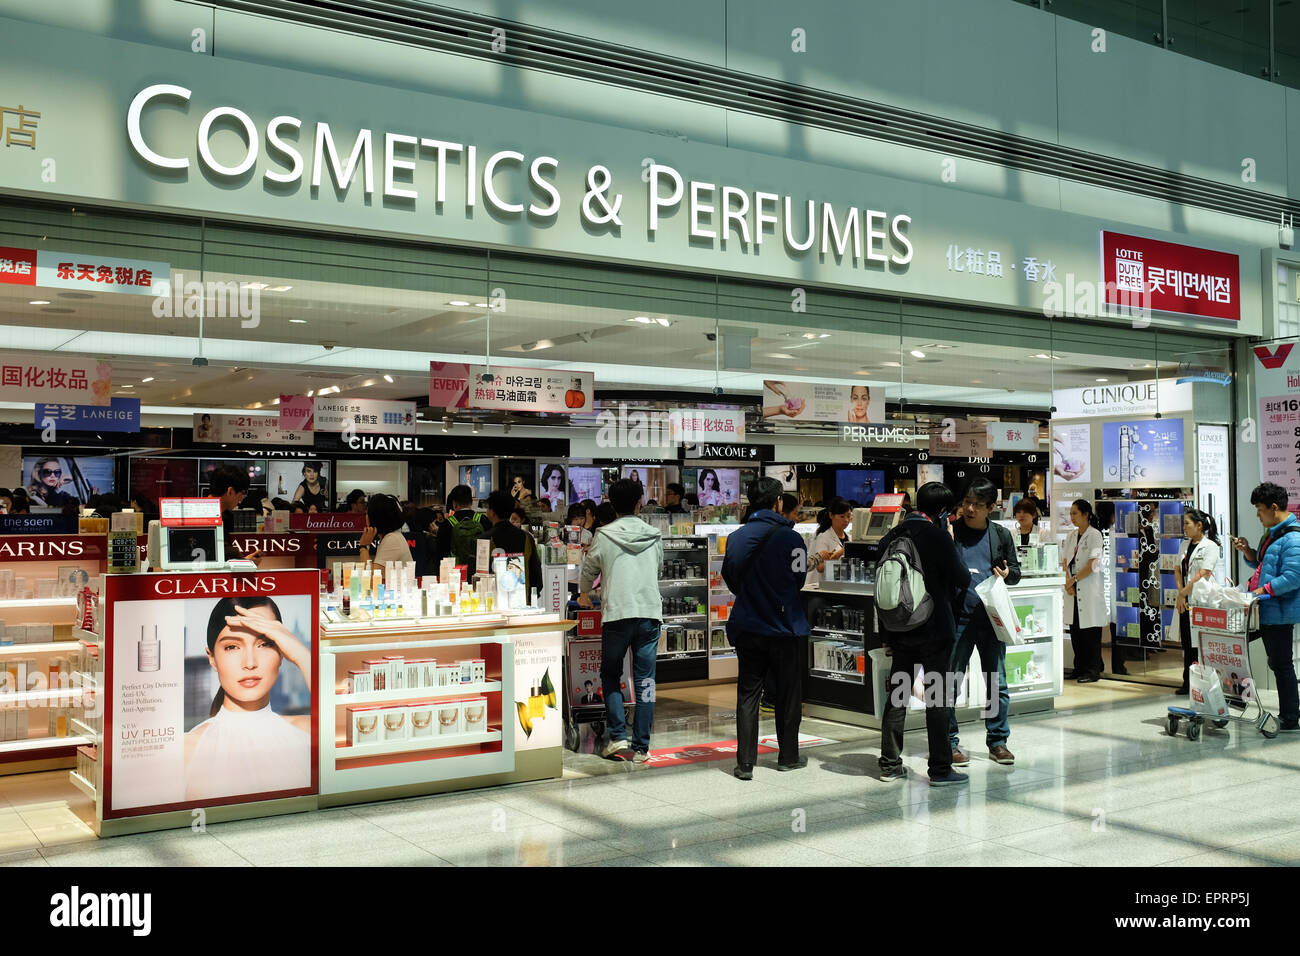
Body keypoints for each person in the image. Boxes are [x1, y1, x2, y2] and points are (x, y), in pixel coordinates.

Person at [877, 481, 971, 786]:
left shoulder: (892, 534)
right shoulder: (938, 536)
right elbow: (963, 578)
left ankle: (890, 764)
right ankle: (940, 769)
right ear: (943, 511)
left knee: (898, 695)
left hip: (900, 629)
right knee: (938, 698)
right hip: (934, 630)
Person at [722, 477, 809, 779]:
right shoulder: (792, 539)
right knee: (787, 693)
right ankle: (788, 756)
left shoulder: (736, 537)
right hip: (785, 627)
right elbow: (798, 580)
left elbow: (731, 577)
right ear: (778, 503)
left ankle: (745, 763)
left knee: (748, 694)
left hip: (748, 625)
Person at [185, 596, 311, 801]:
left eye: (265, 643)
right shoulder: (187, 749)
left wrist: (302, 654)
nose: (250, 663)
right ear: (212, 658)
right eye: (232, 647)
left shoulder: (308, 731)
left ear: (282, 652)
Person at [578, 479, 664, 762]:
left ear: (612, 505)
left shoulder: (604, 535)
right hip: (649, 613)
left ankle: (617, 737)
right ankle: (642, 746)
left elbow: (589, 568)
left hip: (617, 614)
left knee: (611, 674)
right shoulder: (654, 534)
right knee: (645, 680)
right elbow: (659, 569)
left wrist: (584, 593)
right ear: (640, 502)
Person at [947, 478, 1021, 767]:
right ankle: (949, 741)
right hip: (959, 619)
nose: (969, 508)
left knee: (997, 682)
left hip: (991, 620)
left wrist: (1006, 573)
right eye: (966, 502)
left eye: (977, 504)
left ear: (991, 507)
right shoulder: (953, 533)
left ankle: (998, 741)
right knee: (950, 682)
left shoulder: (1000, 535)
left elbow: (1015, 572)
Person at [1233, 482, 1300, 732]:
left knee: (1281, 664)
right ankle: (1290, 712)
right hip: (1266, 610)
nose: (1258, 515)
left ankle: (1290, 717)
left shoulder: (1292, 538)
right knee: (1278, 663)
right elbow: (1263, 567)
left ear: (1274, 507)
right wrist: (1249, 552)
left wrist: (1263, 591)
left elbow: (1293, 576)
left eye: (1260, 510)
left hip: (1278, 613)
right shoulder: (1273, 534)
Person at [1174, 508, 1221, 695]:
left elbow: (1204, 573)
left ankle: (1203, 685)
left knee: (1201, 645)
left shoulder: (1211, 546)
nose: (1184, 527)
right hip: (1185, 601)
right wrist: (1181, 593)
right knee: (1187, 643)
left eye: (1187, 523)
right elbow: (1178, 569)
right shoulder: (1184, 545)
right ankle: (1188, 683)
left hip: (1201, 601)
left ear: (1199, 525)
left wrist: (1183, 593)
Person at [1062, 498, 1106, 683]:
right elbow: (1064, 560)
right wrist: (1068, 581)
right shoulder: (1071, 536)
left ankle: (1093, 670)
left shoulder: (1094, 535)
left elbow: (1092, 563)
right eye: (1071, 513)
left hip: (1088, 589)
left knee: (1090, 634)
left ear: (1086, 514)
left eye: (1075, 513)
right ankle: (1079, 668)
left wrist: (1074, 580)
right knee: (1076, 633)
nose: (1072, 517)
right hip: (1073, 590)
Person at [483, 490, 542, 593]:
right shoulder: (527, 537)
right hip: (524, 600)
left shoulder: (486, 538)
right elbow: (536, 573)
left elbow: (481, 575)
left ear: (491, 512)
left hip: (494, 602)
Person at [434, 485, 483, 567]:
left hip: (455, 573)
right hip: (479, 570)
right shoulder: (483, 520)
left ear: (454, 504)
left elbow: (440, 555)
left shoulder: (446, 525)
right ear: (471, 502)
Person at [805, 496, 851, 586]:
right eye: (842, 516)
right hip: (819, 585)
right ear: (831, 515)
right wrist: (839, 553)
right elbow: (820, 567)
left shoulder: (849, 537)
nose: (846, 520)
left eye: (849, 516)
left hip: (841, 584)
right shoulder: (823, 537)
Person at [359, 493, 412, 566]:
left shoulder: (392, 539)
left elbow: (373, 576)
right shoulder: (391, 537)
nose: (366, 517)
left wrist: (363, 547)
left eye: (367, 513)